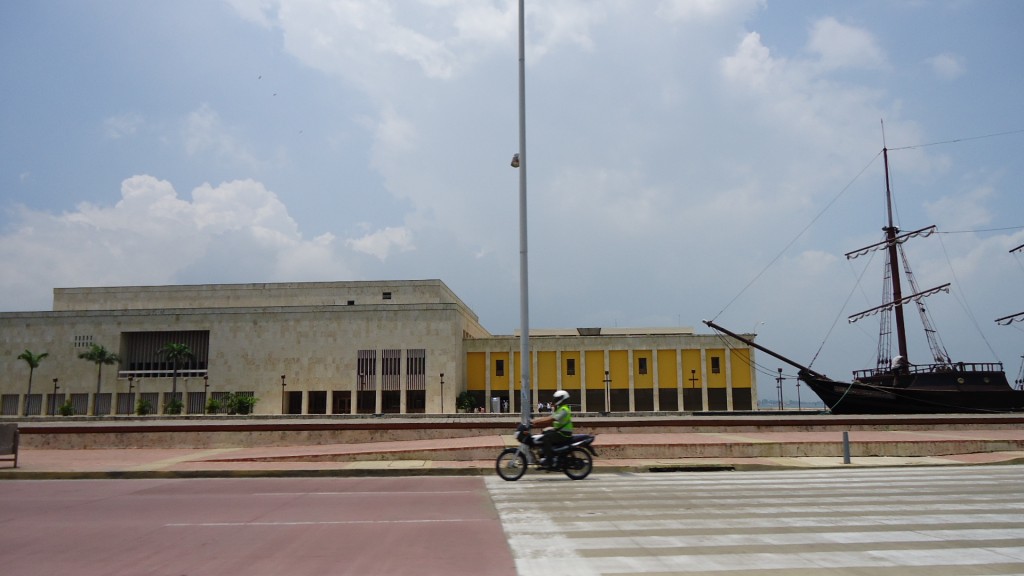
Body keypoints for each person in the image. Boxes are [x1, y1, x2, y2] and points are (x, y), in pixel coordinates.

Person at [532, 390, 573, 467]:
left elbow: (552, 419)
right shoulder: (561, 408)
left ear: (562, 399)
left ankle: (549, 460)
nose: (555, 400)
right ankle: (548, 455)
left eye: (557, 398)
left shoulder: (564, 409)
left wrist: (536, 421)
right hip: (560, 431)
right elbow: (552, 418)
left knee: (546, 438)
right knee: (544, 433)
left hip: (564, 433)